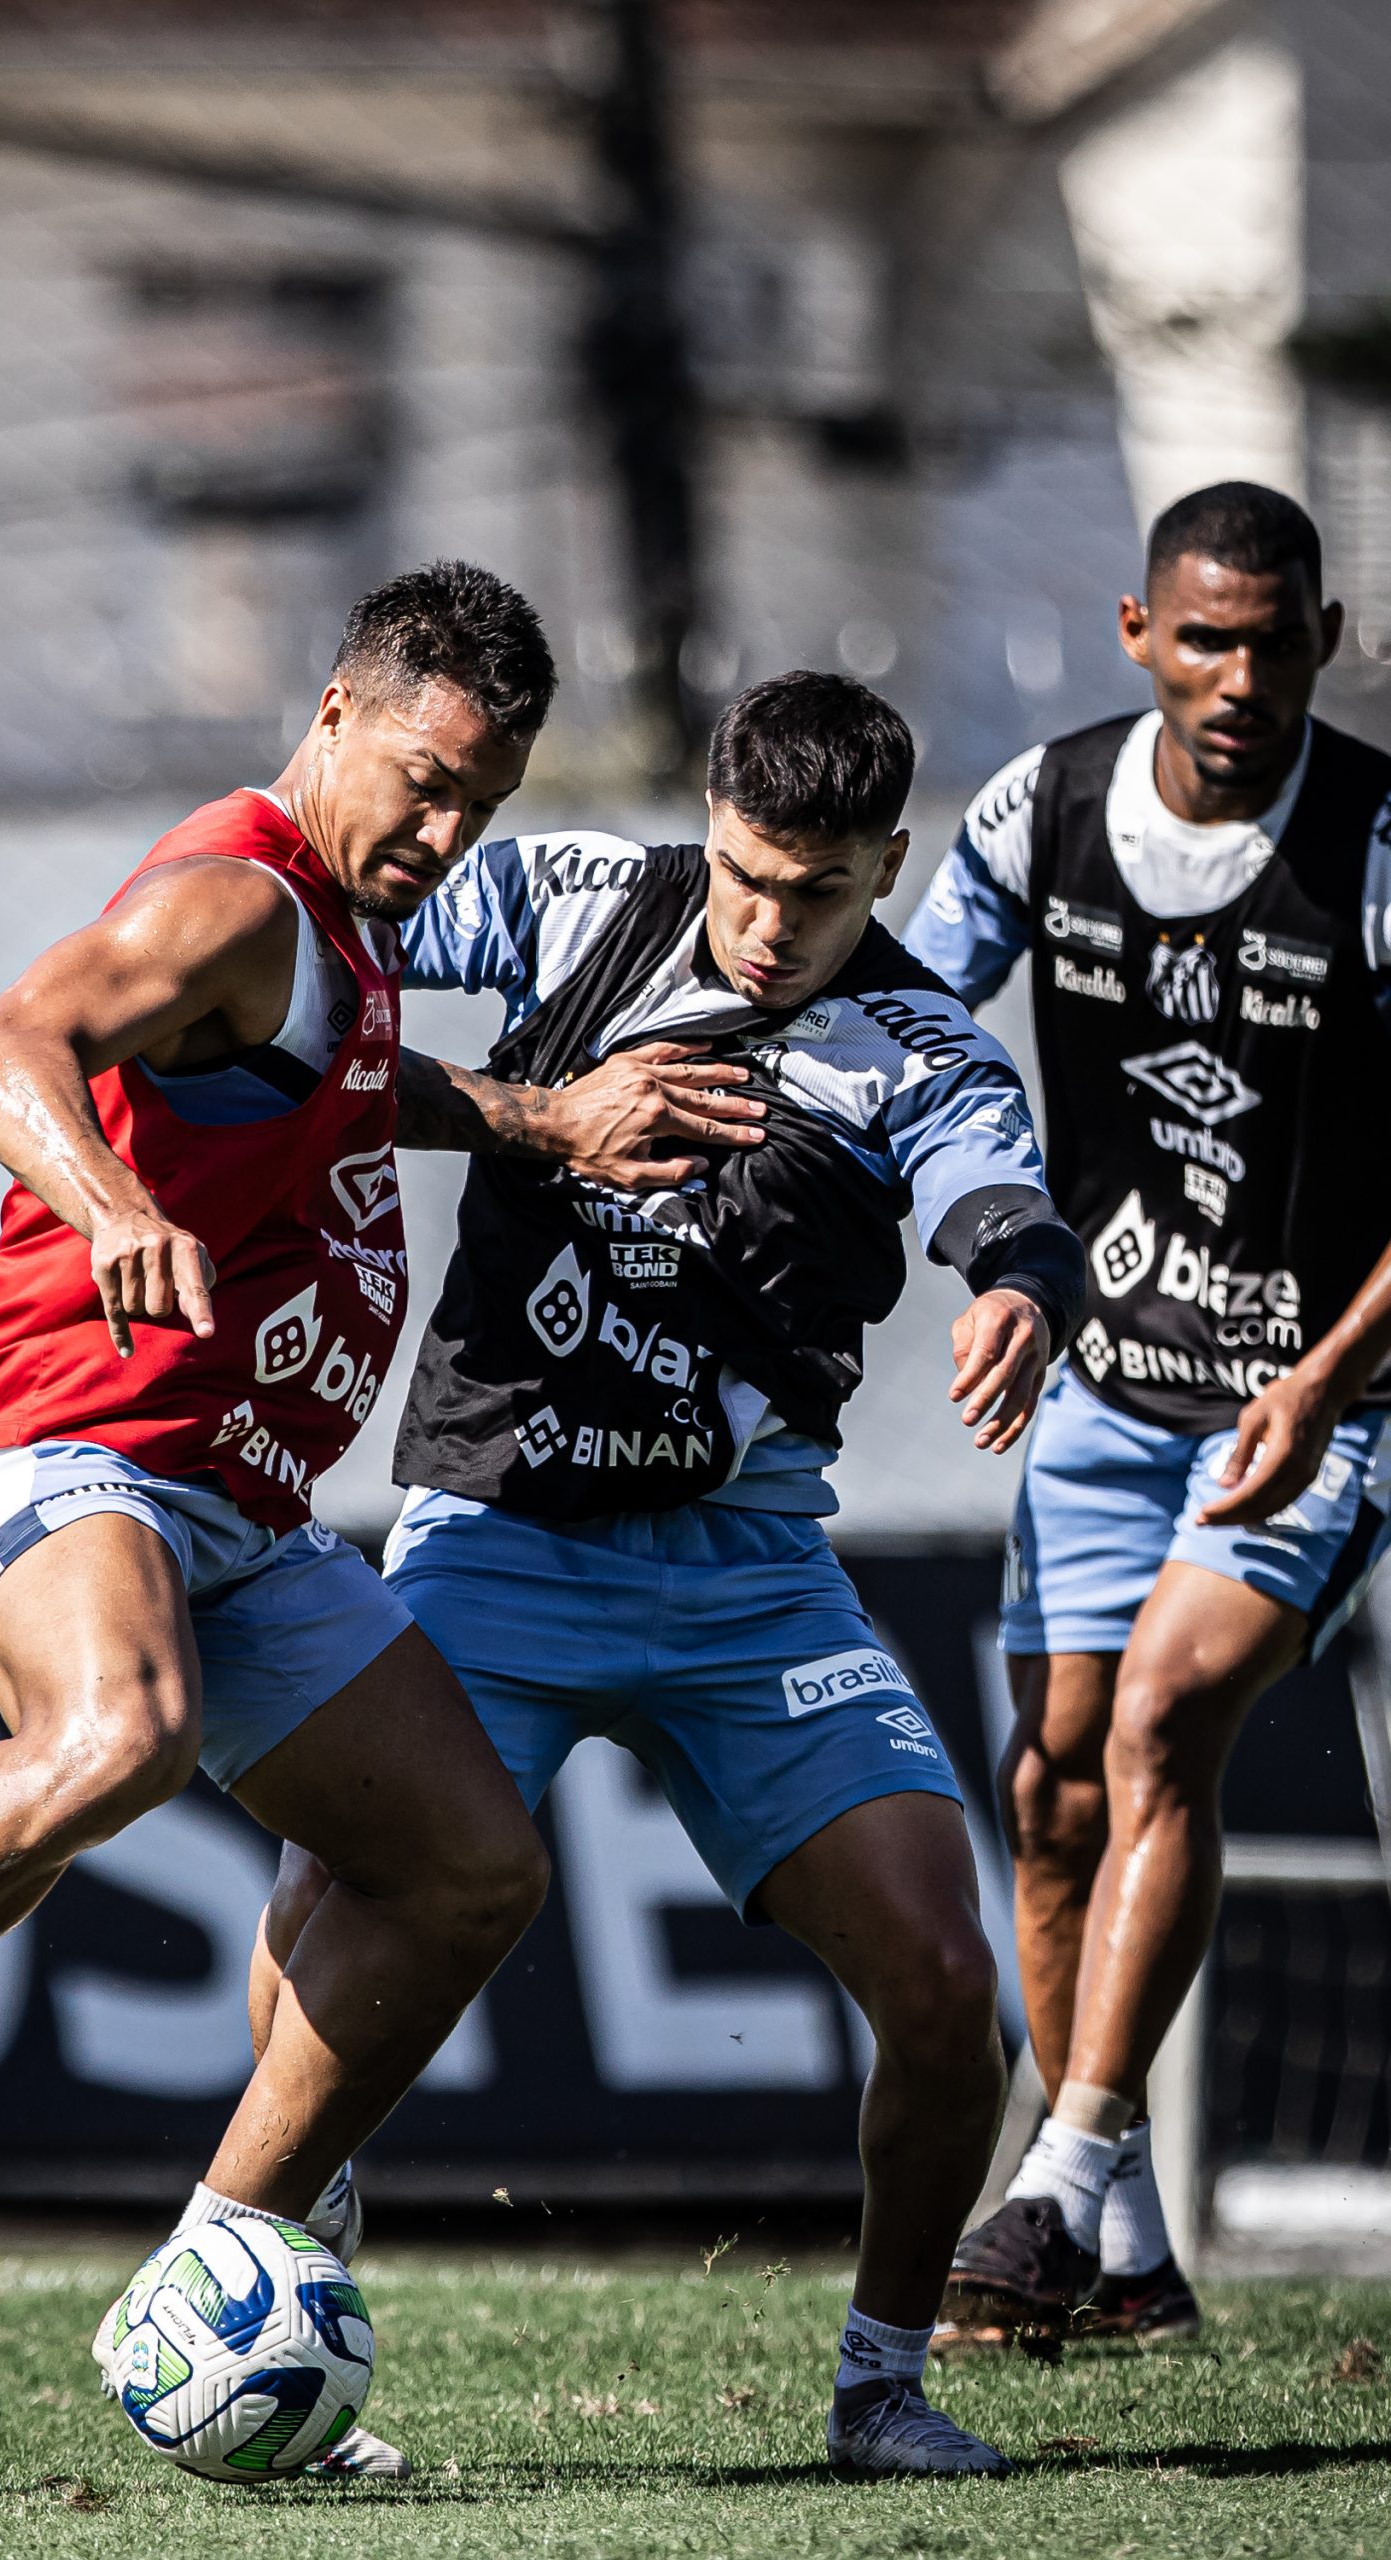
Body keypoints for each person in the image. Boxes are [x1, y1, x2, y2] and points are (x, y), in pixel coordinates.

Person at [0, 562, 734, 2482]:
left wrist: (536, 1118)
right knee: (120, 1735)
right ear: (342, 712)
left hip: (234, 1503)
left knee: (472, 1871)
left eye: (486, 805)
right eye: (428, 780)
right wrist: (112, 1199)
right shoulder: (238, 892)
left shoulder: (343, 938)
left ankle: (224, 2265)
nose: (446, 836)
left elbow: (353, 1082)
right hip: (54, 1443)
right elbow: (4, 1044)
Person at [258, 670, 1088, 2479]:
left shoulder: (922, 1045)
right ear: (708, 819)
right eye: (743, 876)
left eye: (822, 892)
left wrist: (1021, 1289)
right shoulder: (569, 900)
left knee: (950, 1989)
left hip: (751, 1578)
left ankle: (880, 2389)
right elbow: (332, 932)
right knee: (331, 1900)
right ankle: (285, 2299)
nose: (771, 925)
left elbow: (1005, 1203)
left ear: (891, 865)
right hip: (501, 1543)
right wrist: (497, 1093)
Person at [903, 483, 1391, 2352]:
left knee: (1176, 1714)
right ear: (1135, 631)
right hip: (1111, 1379)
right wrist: (1005, 1266)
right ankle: (1122, 2260)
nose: (1239, 676)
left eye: (1275, 641)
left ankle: (1054, 2178)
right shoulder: (1038, 812)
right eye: (1205, 636)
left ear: (1326, 644)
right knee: (1052, 1788)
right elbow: (911, 1032)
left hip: (1322, 1392)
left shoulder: (1369, 842)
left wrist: (1330, 1375)